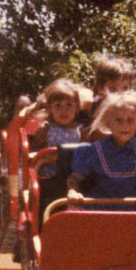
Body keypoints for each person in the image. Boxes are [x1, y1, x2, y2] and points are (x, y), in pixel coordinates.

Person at [67, 90, 136, 206]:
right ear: (108, 122)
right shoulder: (93, 151)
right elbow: (74, 179)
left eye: (130, 120)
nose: (125, 126)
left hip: (134, 213)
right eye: (118, 120)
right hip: (100, 212)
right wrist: (73, 191)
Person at [26, 79, 83, 223]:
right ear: (50, 109)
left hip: (75, 177)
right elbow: (34, 153)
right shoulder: (45, 129)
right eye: (58, 106)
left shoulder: (81, 130)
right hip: (50, 177)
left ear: (77, 107)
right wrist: (44, 156)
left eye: (69, 105)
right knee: (46, 199)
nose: (64, 111)